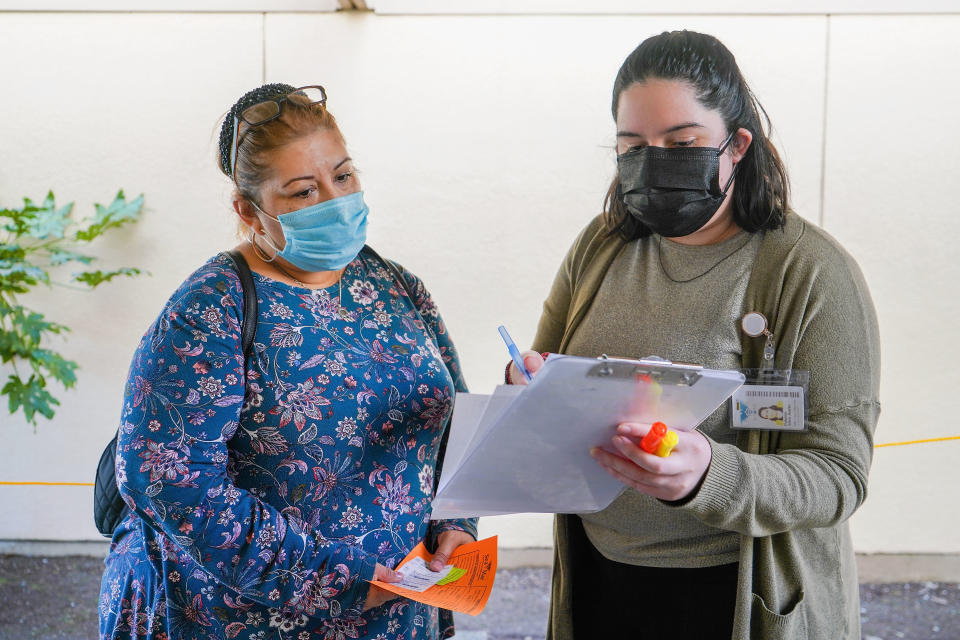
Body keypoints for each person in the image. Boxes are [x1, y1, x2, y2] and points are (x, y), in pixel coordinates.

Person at [507, 32, 880, 639]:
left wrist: (709, 475)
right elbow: (544, 367)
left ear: (736, 146)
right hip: (601, 577)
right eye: (632, 145)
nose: (654, 160)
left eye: (681, 143)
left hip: (733, 592)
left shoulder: (809, 274)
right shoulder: (601, 247)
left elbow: (839, 475)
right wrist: (531, 385)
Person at [98, 83, 477, 640]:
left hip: (396, 610)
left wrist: (458, 526)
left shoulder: (396, 285)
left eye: (343, 177)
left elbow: (454, 425)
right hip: (243, 620)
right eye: (303, 192)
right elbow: (167, 480)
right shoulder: (213, 308)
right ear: (248, 210)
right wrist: (328, 579)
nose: (335, 201)